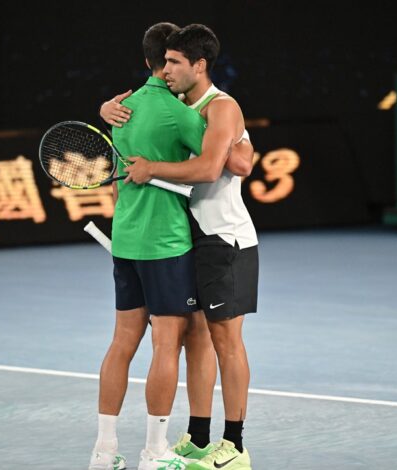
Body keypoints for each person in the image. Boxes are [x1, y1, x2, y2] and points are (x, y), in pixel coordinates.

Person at [88, 22, 252, 470]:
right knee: (176, 343)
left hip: (181, 238)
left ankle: (108, 451)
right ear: (159, 65)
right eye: (168, 61)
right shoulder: (176, 112)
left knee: (157, 341)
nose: (169, 69)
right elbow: (233, 160)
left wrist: (150, 165)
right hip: (170, 242)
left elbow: (229, 163)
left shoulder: (129, 110)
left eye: (177, 62)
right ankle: (163, 449)